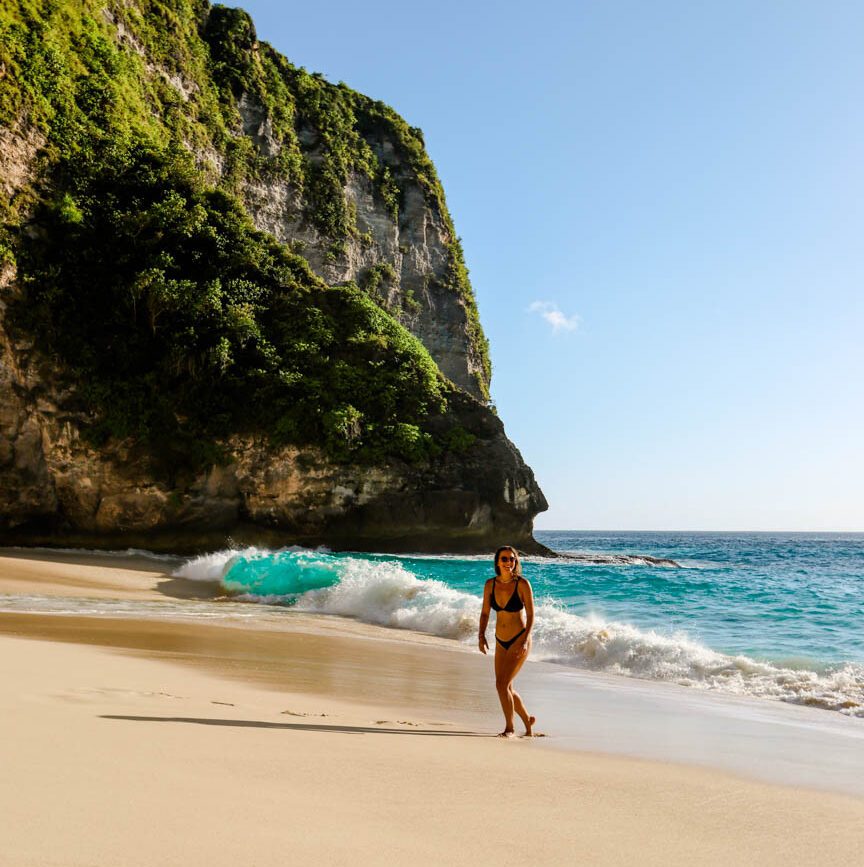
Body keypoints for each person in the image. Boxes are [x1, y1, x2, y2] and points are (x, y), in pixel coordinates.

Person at [478, 545, 536, 737]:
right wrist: (481, 635)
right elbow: (485, 613)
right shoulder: (490, 585)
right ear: (497, 562)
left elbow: (531, 615)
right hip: (500, 640)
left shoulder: (522, 584)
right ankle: (527, 722)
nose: (508, 563)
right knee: (506, 686)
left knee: (501, 685)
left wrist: (526, 640)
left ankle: (510, 728)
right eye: (504, 559)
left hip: (519, 640)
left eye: (512, 559)